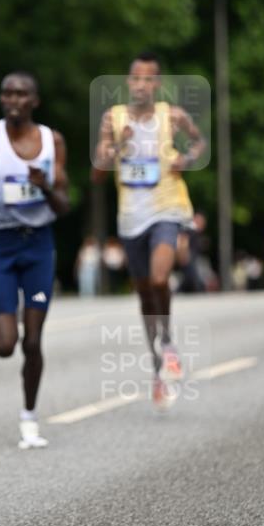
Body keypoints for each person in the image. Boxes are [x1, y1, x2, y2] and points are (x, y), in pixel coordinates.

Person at [0, 72, 69, 449]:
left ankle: (29, 418)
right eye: (7, 93)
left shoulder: (52, 142)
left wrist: (46, 186)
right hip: (0, 247)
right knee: (6, 345)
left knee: (33, 341)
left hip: (39, 246)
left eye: (22, 94)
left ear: (35, 100)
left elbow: (64, 205)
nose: (13, 100)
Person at [92, 51, 206, 410]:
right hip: (131, 217)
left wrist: (185, 159)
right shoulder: (114, 118)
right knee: (144, 293)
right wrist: (119, 145)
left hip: (167, 209)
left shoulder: (172, 115)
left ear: (157, 84)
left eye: (148, 79)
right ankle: (158, 368)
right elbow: (97, 170)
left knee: (159, 280)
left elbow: (200, 143)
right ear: (129, 82)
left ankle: (168, 340)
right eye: (136, 78)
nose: (141, 85)